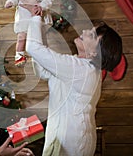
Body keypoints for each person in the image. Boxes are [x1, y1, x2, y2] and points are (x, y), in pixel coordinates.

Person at [24, 9, 123, 155]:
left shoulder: (81, 69)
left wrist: (34, 19)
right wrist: (41, 29)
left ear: (96, 52)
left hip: (70, 145)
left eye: (91, 35)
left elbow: (33, 48)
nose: (84, 32)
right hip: (75, 141)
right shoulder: (81, 67)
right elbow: (44, 71)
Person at [4, 0, 53, 67]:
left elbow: (49, 0)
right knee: (21, 38)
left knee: (41, 39)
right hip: (24, 18)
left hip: (38, 19)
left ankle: (42, 59)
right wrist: (10, 2)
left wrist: (41, 5)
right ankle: (19, 56)